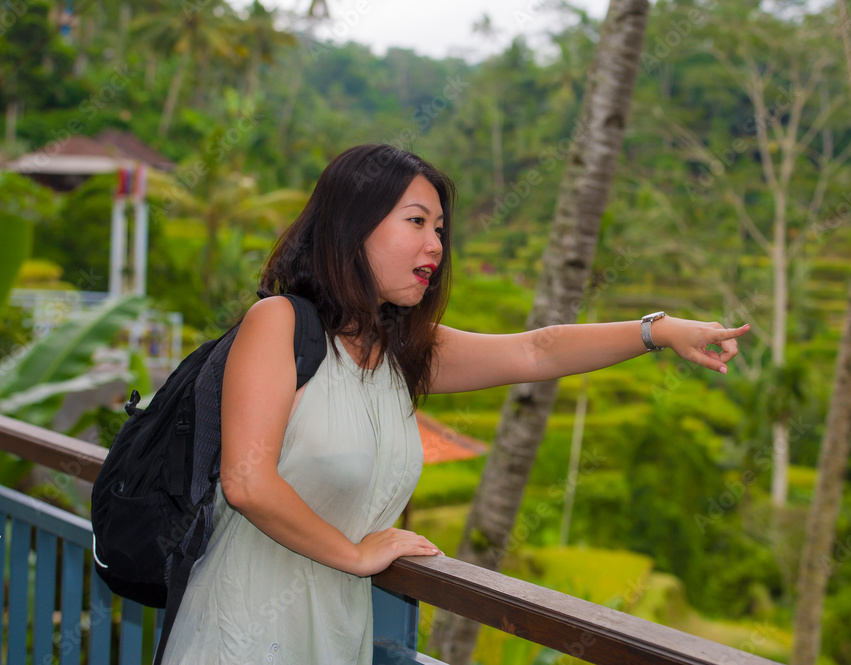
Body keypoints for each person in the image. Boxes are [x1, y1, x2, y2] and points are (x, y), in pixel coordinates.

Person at [160, 143, 750, 664]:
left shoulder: (400, 351)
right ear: (351, 227)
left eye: (440, 228)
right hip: (241, 634)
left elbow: (536, 353)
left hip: (335, 634)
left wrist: (659, 330)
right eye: (416, 221)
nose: (435, 243)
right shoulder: (280, 323)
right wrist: (356, 553)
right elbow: (245, 481)